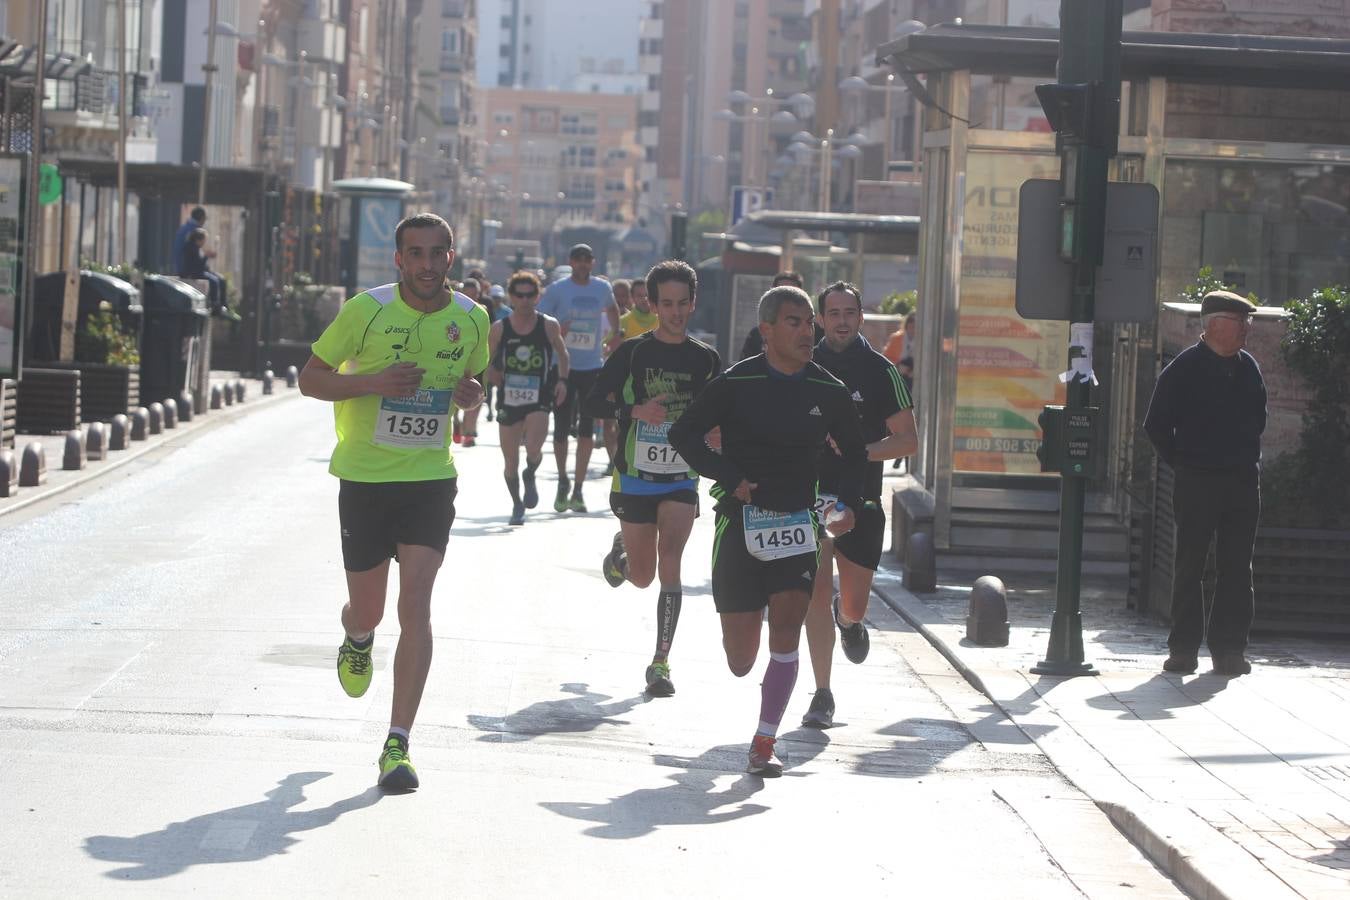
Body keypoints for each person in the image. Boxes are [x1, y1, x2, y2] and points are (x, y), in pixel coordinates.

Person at [298, 213, 489, 791]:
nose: (427, 264)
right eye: (416, 253)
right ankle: (357, 638)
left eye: (437, 253)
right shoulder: (367, 310)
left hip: (429, 478)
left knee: (417, 605)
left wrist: (472, 396)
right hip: (364, 478)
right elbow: (310, 378)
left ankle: (397, 743)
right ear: (399, 260)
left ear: (450, 258)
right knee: (372, 611)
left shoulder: (473, 319)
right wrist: (373, 382)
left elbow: (474, 386)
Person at [669, 285, 865, 777]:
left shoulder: (828, 390)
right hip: (740, 523)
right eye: (795, 322)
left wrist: (846, 504)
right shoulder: (737, 383)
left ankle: (764, 741)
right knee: (740, 658)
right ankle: (749, 609)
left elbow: (856, 454)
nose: (808, 331)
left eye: (809, 323)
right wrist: (728, 477)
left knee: (786, 631)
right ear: (768, 330)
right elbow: (684, 435)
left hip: (798, 523)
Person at [586, 260, 721, 697]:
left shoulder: (705, 359)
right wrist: (634, 411)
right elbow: (592, 403)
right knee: (642, 576)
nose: (676, 312)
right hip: (635, 477)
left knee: (672, 564)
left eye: (683, 303)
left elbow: (718, 414)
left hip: (681, 475)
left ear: (693, 303)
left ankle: (661, 661)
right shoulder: (633, 352)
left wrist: (717, 433)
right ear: (654, 304)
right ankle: (620, 556)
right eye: (667, 304)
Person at [800, 282, 918, 728]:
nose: (842, 321)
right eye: (834, 313)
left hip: (861, 500)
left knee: (854, 603)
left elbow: (908, 439)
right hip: (809, 496)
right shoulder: (805, 364)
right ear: (821, 319)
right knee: (813, 593)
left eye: (850, 313)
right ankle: (822, 694)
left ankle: (848, 621)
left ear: (861, 318)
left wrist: (857, 450)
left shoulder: (879, 370)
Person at [1143, 290, 1266, 677]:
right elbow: (1156, 425)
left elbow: (1258, 421)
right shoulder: (1183, 368)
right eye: (1239, 321)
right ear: (1214, 325)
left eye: (1248, 321)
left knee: (1236, 568)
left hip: (1242, 481)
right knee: (1190, 564)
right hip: (1197, 480)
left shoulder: (1249, 368)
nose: (1247, 328)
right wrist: (1184, 463)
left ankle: (1230, 650)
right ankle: (1183, 649)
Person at [538, 243, 622, 512]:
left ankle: (578, 488)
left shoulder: (602, 288)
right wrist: (557, 331)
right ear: (571, 261)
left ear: (593, 262)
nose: (583, 264)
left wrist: (615, 336)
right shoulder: (557, 290)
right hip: (562, 367)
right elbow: (540, 320)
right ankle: (563, 479)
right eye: (579, 259)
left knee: (587, 428)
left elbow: (613, 310)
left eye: (588, 259)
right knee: (562, 427)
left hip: (591, 366)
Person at [487, 271, 570, 525]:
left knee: (533, 449)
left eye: (530, 295)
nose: (524, 300)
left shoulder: (548, 324)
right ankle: (517, 504)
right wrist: (490, 375)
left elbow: (563, 355)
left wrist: (563, 382)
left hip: (539, 397)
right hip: (509, 399)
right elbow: (486, 361)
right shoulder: (500, 328)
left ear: (537, 296)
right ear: (511, 297)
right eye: (519, 295)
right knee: (510, 460)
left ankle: (531, 471)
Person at [740, 272, 822, 359]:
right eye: (793, 323)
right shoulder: (757, 334)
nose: (806, 332)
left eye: (792, 292)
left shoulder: (816, 332)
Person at [177, 228, 226, 314]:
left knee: (221, 279)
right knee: (214, 281)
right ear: (198, 239)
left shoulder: (197, 248)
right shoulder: (191, 248)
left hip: (201, 270)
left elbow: (202, 263)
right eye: (203, 240)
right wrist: (206, 256)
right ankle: (214, 304)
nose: (204, 242)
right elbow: (197, 264)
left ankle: (223, 304)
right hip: (193, 273)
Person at [171, 206, 207, 274]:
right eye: (204, 219)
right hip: (187, 270)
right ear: (202, 218)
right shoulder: (194, 231)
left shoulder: (183, 228)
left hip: (179, 267)